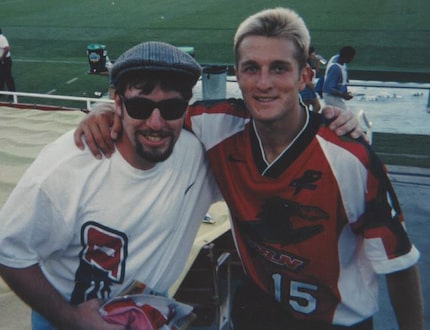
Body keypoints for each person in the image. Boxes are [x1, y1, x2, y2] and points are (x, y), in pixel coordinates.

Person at [74, 7, 423, 330]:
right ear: (237, 75)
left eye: (279, 68)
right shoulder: (218, 125)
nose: (263, 83)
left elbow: (399, 265)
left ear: (305, 76)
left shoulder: (349, 158)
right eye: (251, 68)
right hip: (258, 308)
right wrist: (105, 109)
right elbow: (156, 113)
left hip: (335, 321)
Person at [0, 41, 220, 329]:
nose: (156, 123)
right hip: (64, 317)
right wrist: (72, 320)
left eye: (172, 107)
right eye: (140, 106)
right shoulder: (67, 167)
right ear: (118, 103)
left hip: (149, 312)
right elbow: (9, 252)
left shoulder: (197, 155)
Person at [322, 46, 356, 110]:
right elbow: (329, 88)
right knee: (344, 115)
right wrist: (343, 95)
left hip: (336, 97)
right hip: (331, 97)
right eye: (351, 57)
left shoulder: (338, 59)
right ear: (346, 57)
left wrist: (344, 92)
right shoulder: (335, 69)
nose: (352, 59)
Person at [299, 46, 321, 112]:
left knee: (317, 106)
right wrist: (313, 88)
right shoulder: (304, 64)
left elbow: (314, 73)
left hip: (309, 88)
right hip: (306, 88)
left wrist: (318, 63)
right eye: (313, 52)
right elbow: (306, 80)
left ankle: (311, 119)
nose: (314, 54)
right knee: (306, 108)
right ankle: (308, 120)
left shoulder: (309, 64)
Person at [0, 28, 16, 98]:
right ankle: (1, 91)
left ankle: (12, 94)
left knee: (7, 77)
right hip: (2, 59)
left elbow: (6, 48)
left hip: (5, 60)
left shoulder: (1, 38)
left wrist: (1, 59)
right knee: (1, 76)